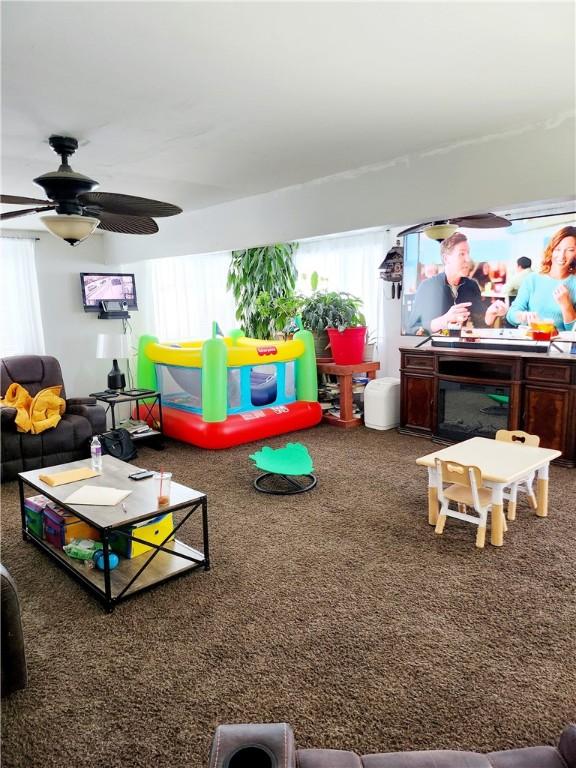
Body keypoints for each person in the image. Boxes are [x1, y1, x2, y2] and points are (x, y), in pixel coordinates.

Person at [407, 233, 507, 335]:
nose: (468, 259)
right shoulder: (428, 287)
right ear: (446, 259)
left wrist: (491, 314)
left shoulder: (471, 285)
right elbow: (412, 329)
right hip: (435, 348)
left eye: (468, 253)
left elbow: (480, 323)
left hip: (463, 347)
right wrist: (444, 320)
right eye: (462, 254)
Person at [507, 226, 576, 331]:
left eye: (570, 250)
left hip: (561, 346)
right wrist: (522, 316)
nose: (561, 256)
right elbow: (511, 315)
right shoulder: (532, 280)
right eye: (557, 249)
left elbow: (573, 331)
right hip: (532, 343)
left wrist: (566, 305)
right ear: (551, 250)